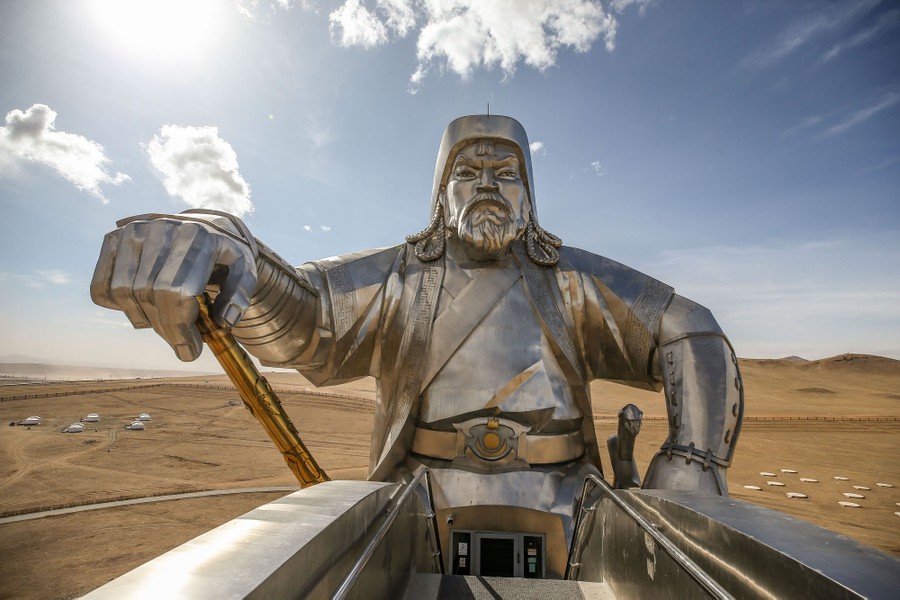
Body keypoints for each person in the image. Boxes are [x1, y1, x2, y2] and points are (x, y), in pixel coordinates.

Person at [91, 115, 743, 547]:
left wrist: (696, 458)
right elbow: (305, 316)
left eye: (506, 173)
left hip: (572, 506)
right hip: (416, 504)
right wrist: (225, 238)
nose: (487, 183)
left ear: (529, 194)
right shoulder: (398, 278)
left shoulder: (572, 280)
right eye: (467, 172)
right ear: (441, 193)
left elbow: (689, 328)